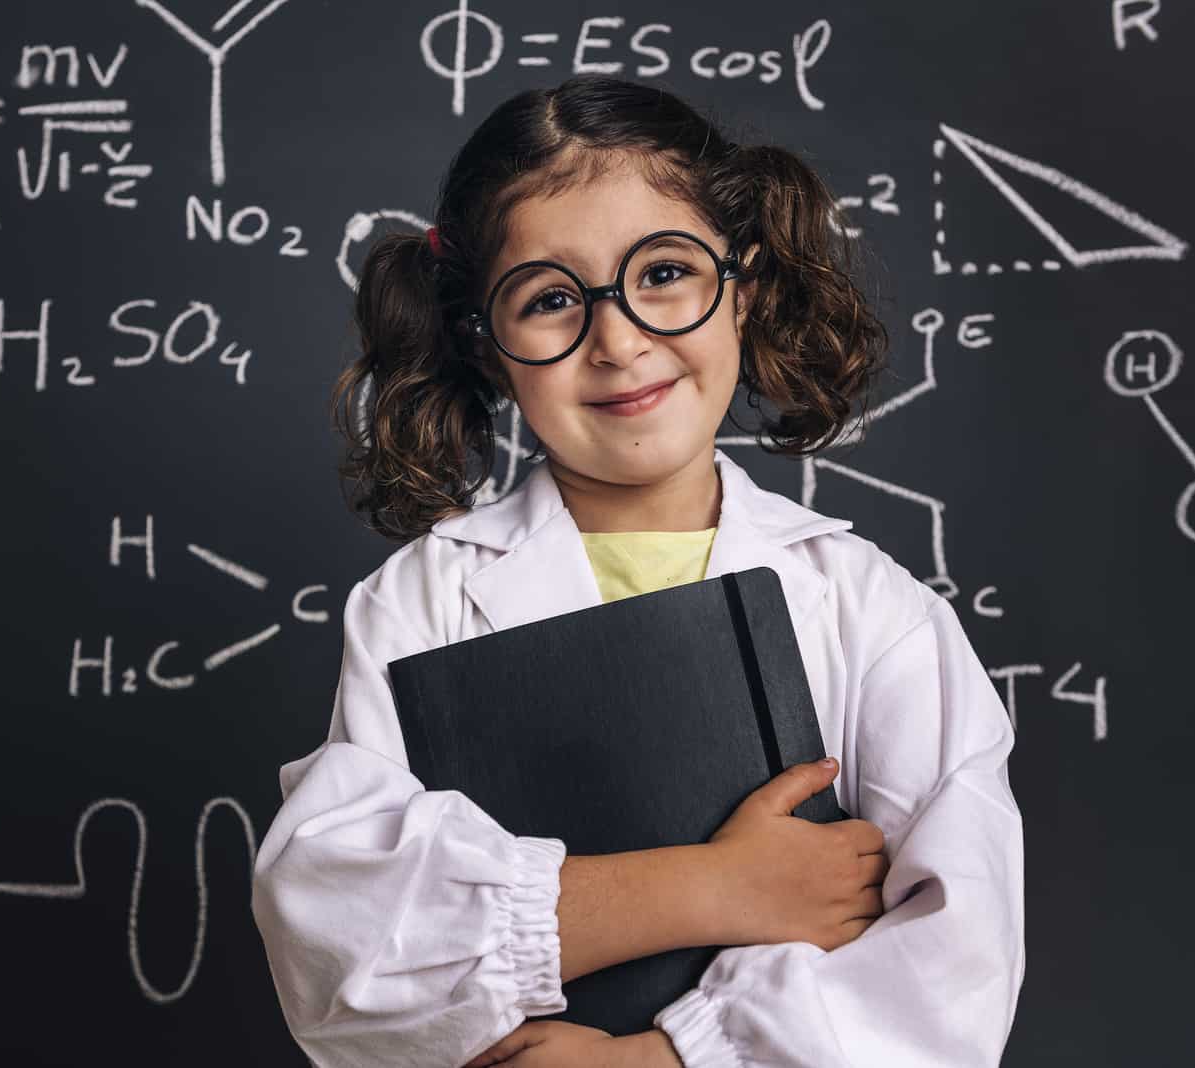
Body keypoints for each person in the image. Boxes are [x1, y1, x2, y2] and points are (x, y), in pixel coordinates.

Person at [251, 73, 1025, 1068]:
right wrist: (713, 885)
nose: (617, 343)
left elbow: (954, 957)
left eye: (663, 274)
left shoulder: (869, 607)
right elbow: (339, 933)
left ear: (740, 287)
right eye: (551, 300)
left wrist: (660, 1059)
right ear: (488, 347)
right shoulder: (420, 602)